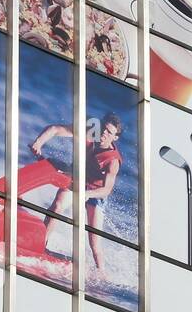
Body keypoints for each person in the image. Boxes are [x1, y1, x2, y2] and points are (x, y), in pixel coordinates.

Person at [30, 113, 124, 270]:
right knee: (57, 206)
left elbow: (106, 190)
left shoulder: (113, 160)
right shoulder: (88, 132)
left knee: (94, 242)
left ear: (115, 138)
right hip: (77, 180)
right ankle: (40, 246)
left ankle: (102, 274)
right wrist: (39, 143)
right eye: (103, 128)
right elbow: (55, 129)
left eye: (109, 132)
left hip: (95, 193)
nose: (103, 134)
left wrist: (87, 194)